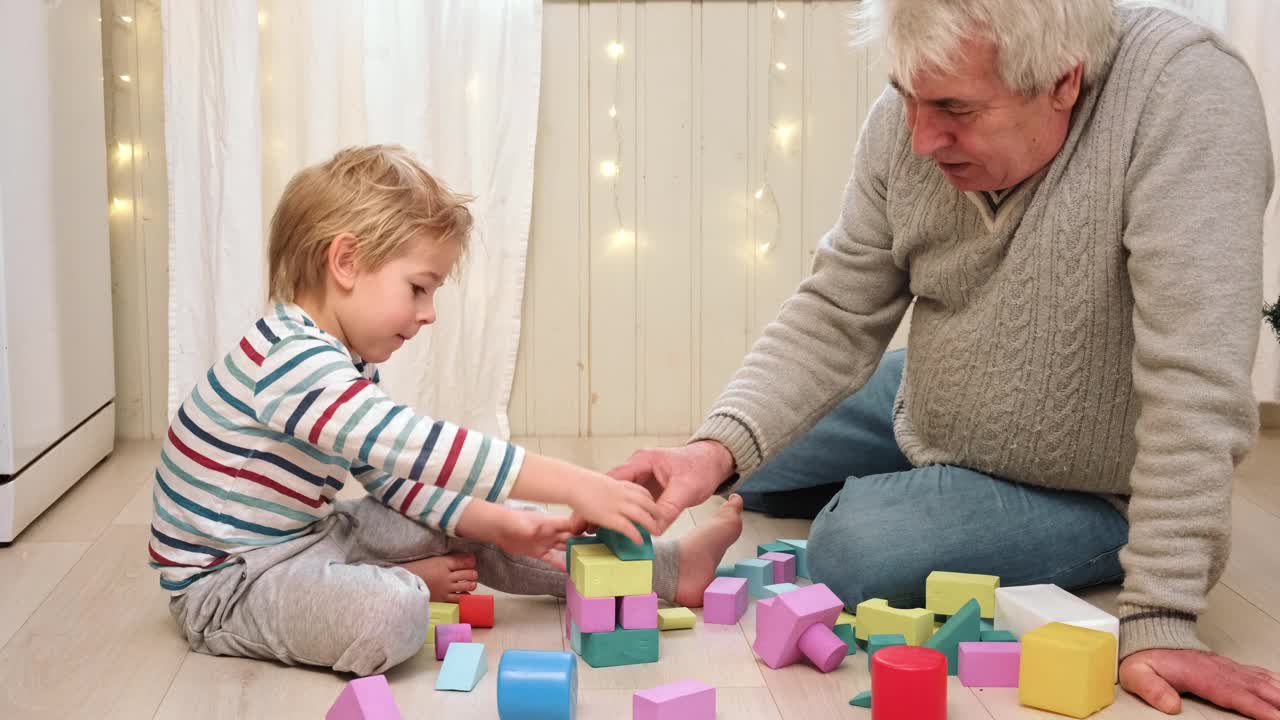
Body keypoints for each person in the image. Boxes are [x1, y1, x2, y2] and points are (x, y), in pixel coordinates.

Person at [609, 1, 1279, 716]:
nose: (921, 138)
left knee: (855, 549)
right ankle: (932, 479)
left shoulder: (1185, 92)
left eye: (955, 109)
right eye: (907, 96)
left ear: (1063, 81)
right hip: (941, 395)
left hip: (1096, 470)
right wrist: (713, 449)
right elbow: (838, 308)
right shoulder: (911, 122)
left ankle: (1085, 524)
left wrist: (1162, 614)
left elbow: (1195, 376)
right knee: (750, 457)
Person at [147, 145, 744, 677]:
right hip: (231, 584)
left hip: (310, 536)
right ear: (346, 262)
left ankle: (671, 572)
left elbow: (394, 476)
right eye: (418, 288)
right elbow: (419, 444)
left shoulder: (344, 362)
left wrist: (495, 523)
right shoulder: (290, 360)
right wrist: (577, 485)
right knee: (395, 611)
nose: (429, 313)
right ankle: (402, 584)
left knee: (473, 513)